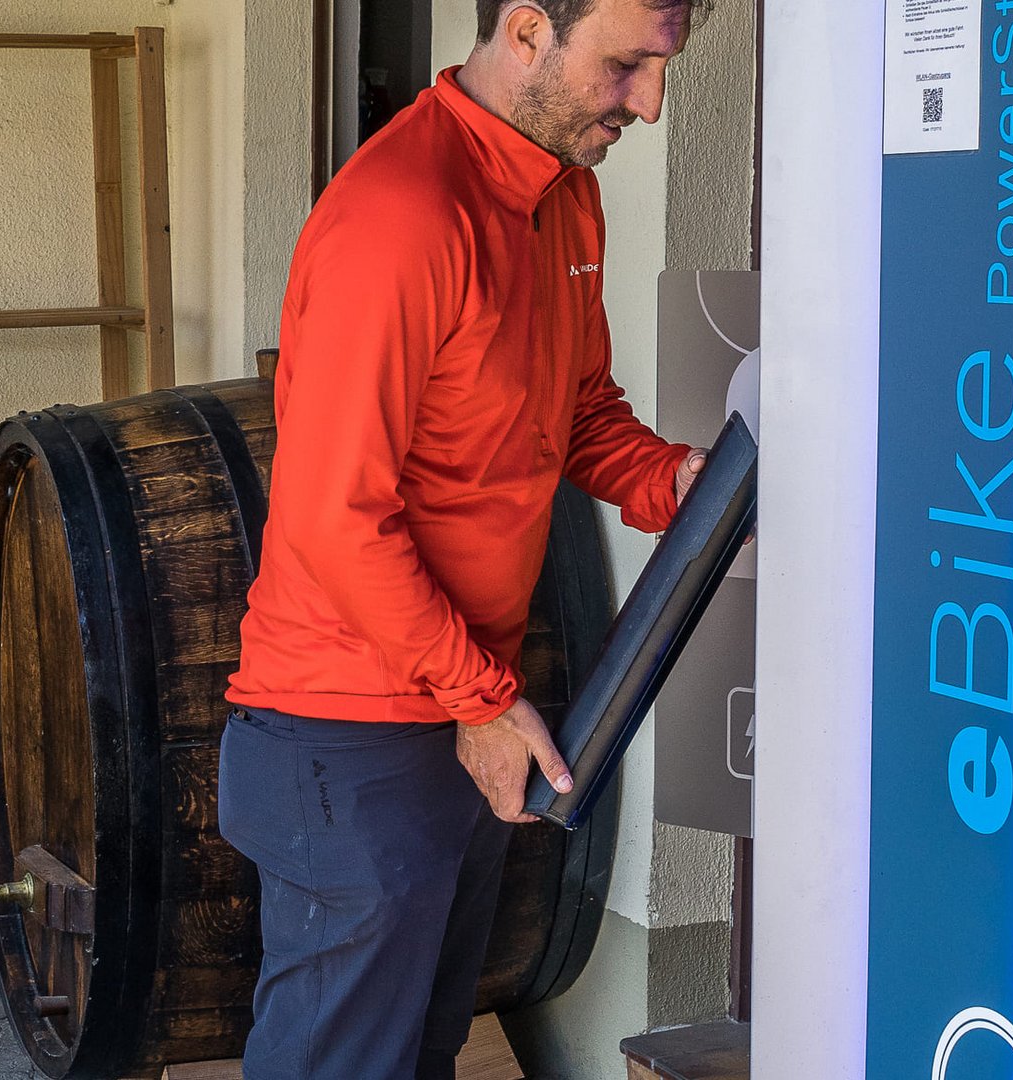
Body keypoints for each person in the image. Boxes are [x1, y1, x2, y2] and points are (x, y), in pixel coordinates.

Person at [217, 2, 709, 1076]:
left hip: (459, 709)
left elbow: (576, 408)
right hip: (349, 737)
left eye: (663, 68)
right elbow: (334, 518)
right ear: (528, 30)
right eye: (626, 67)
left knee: (419, 1055)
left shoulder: (566, 197)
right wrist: (482, 704)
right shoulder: (401, 216)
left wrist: (675, 478)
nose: (653, 103)